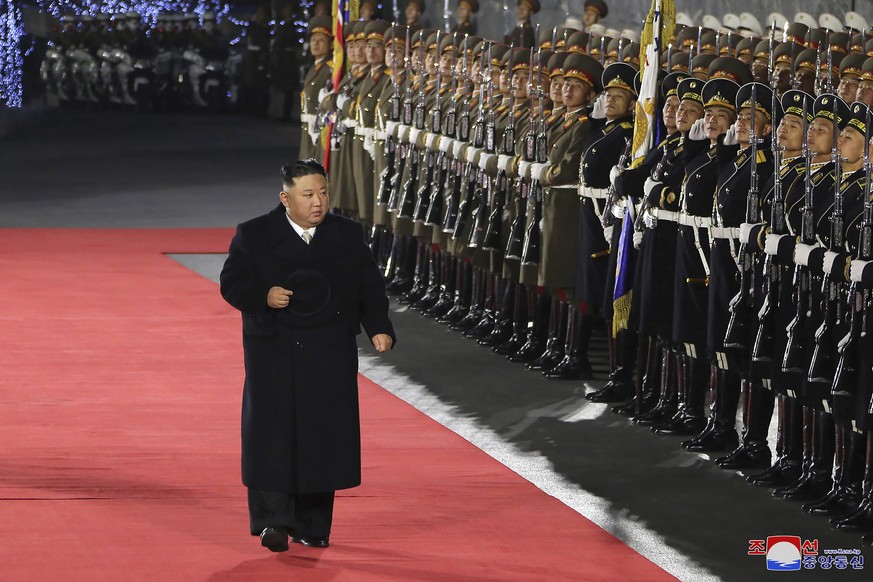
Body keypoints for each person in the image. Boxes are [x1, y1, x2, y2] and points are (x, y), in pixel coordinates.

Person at [219, 159, 396, 553]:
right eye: (308, 194)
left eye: (323, 193)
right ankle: (273, 522)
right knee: (272, 434)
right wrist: (262, 296)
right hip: (274, 349)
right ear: (286, 198)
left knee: (323, 435)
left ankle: (313, 525)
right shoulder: (254, 234)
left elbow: (369, 284)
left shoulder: (346, 235)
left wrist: (379, 326)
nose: (318, 202)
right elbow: (232, 282)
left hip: (328, 349)